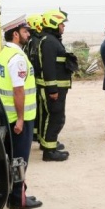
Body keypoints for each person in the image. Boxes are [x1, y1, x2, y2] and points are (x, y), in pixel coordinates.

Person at [0, 16, 42, 209]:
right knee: (19, 159)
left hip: (9, 115)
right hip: (19, 118)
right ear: (15, 34)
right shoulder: (17, 59)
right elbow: (18, 90)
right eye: (25, 31)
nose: (28, 34)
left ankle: (15, 193)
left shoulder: (4, 53)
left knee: (14, 157)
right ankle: (17, 198)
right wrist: (21, 119)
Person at [35, 9, 73, 161]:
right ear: (54, 24)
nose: (63, 26)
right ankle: (49, 152)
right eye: (61, 24)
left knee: (53, 117)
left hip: (57, 88)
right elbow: (48, 67)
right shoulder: (49, 41)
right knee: (56, 117)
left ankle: (48, 146)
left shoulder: (50, 40)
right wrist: (52, 89)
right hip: (54, 89)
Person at [25, 13, 43, 142]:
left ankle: (35, 132)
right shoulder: (35, 41)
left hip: (32, 77)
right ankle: (36, 133)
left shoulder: (30, 40)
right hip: (35, 78)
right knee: (37, 106)